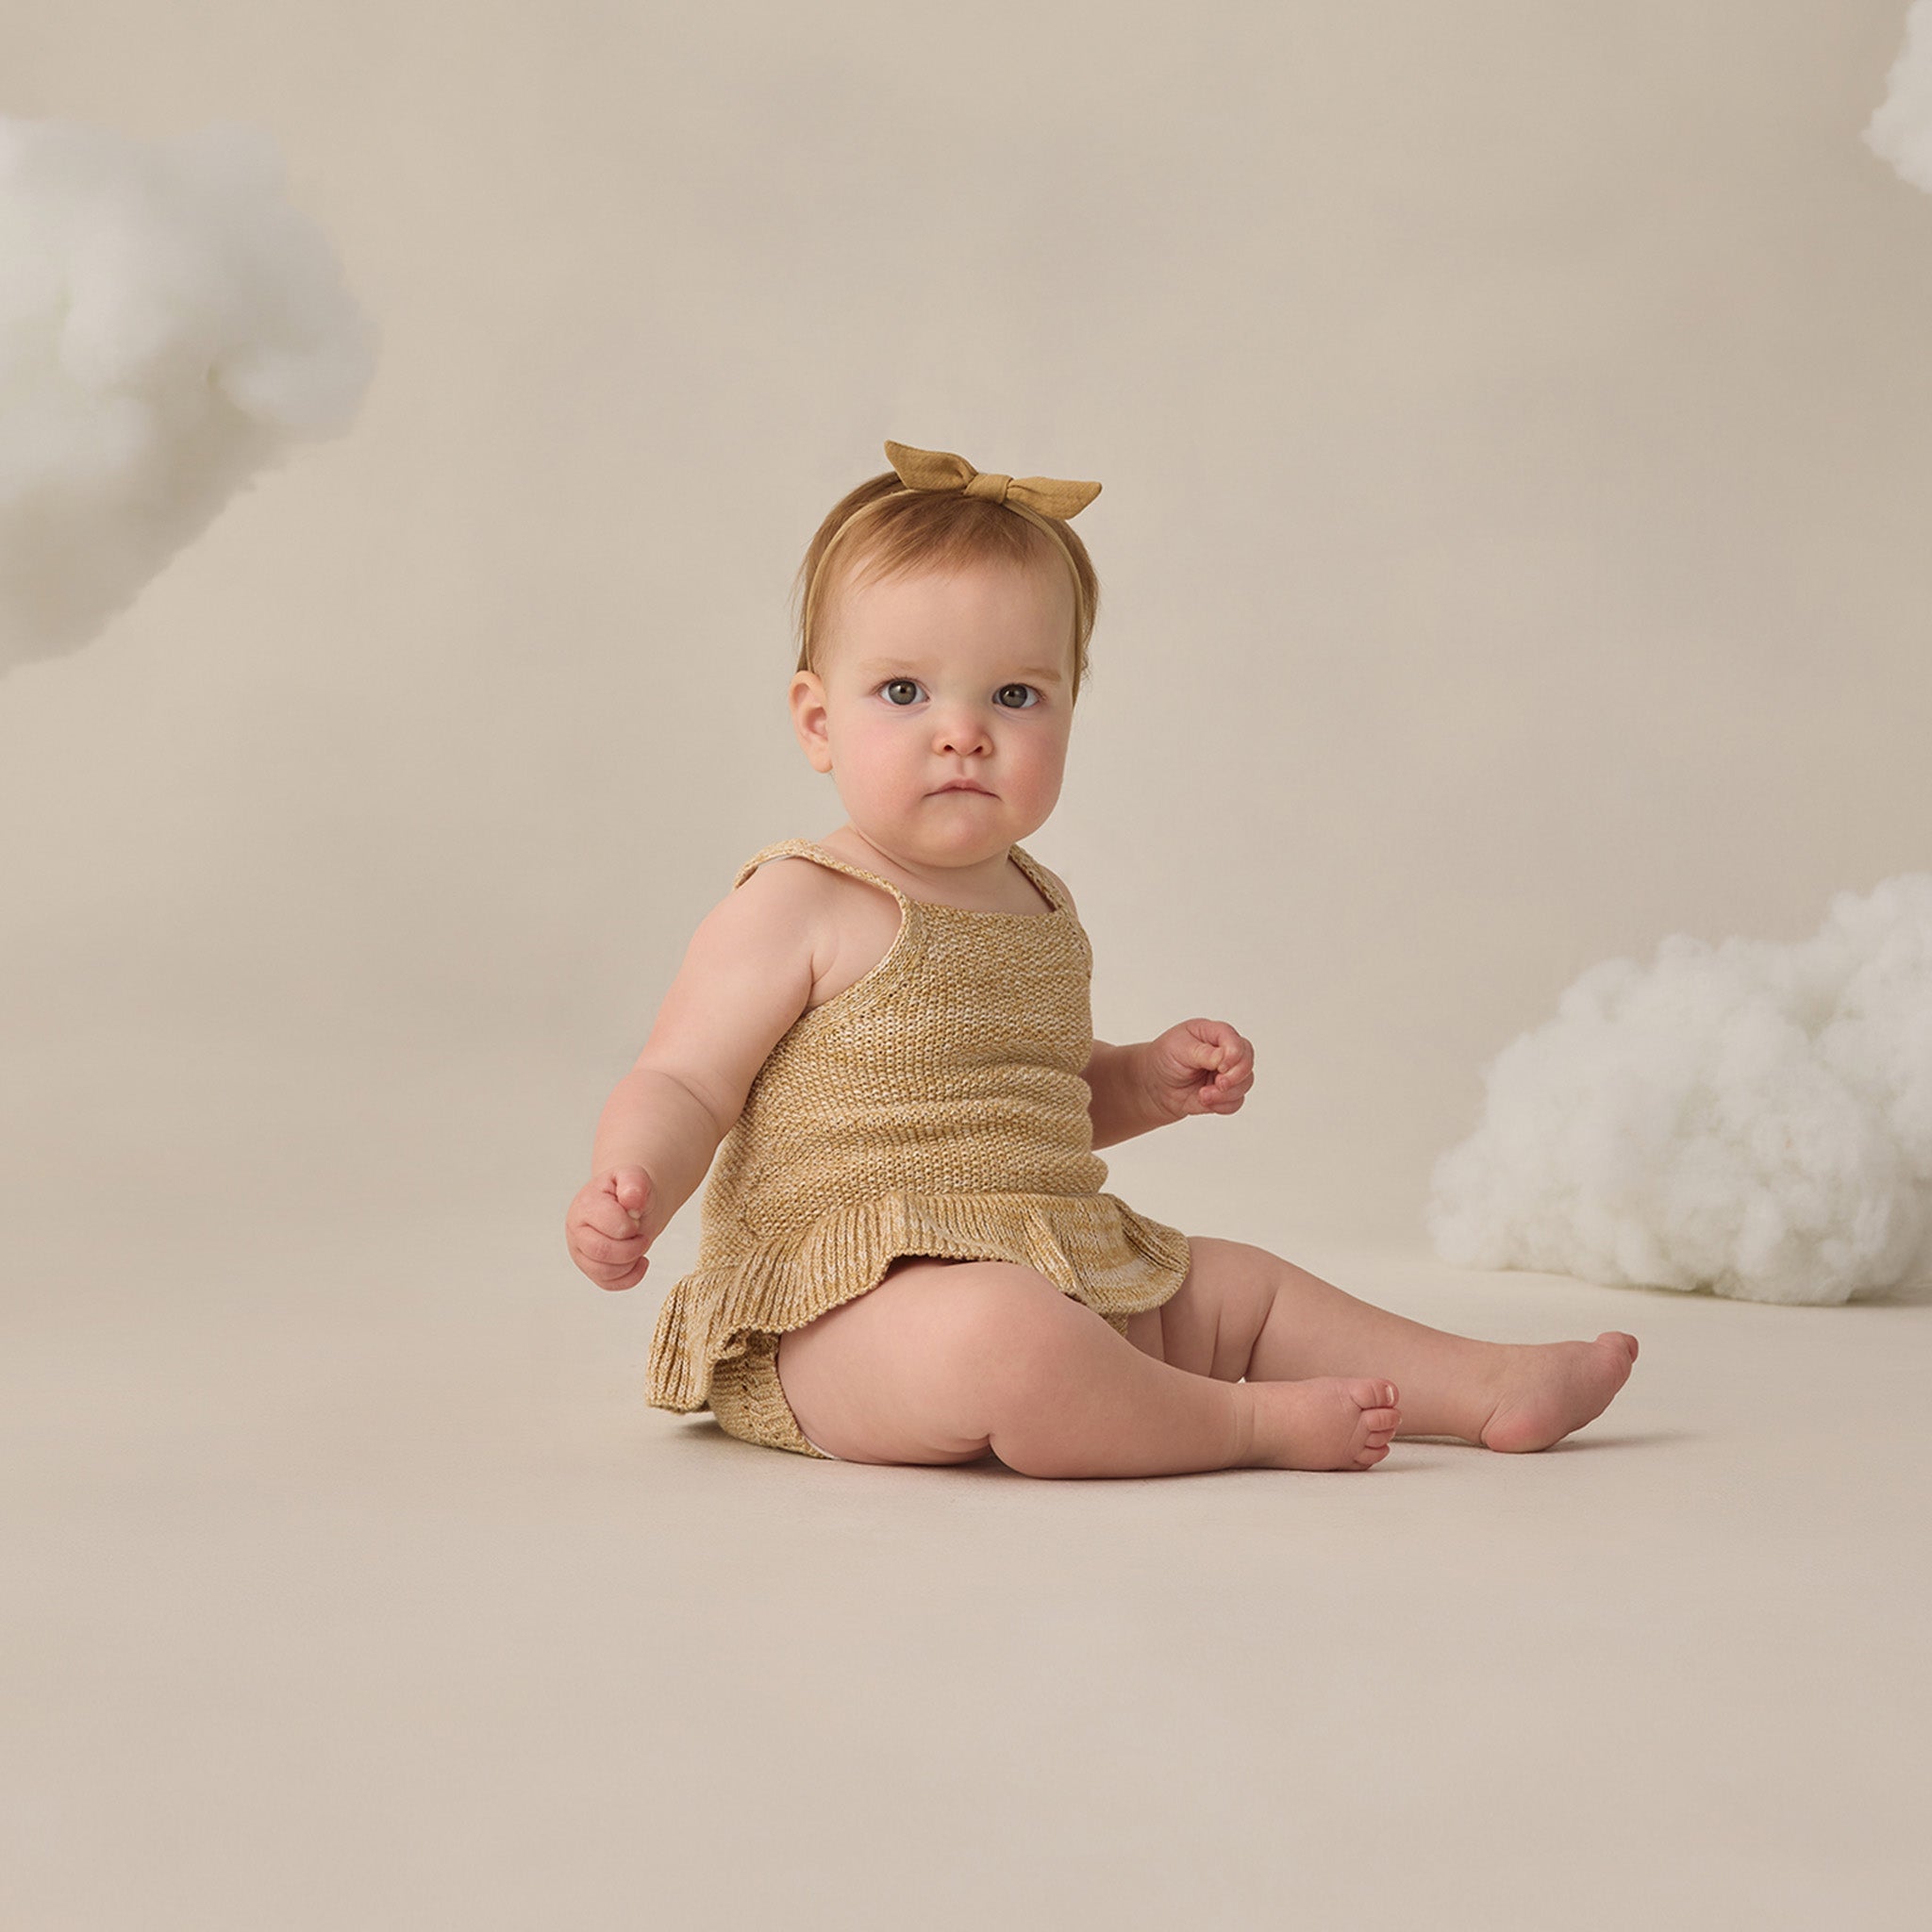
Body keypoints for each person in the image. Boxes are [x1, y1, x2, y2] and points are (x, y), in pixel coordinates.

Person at [563, 439, 1639, 1475]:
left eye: (1013, 696)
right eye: (903, 692)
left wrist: (1143, 1080)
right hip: (838, 1318)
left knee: (1243, 1288)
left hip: (1048, 1251)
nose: (962, 732)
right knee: (1006, 1337)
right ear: (817, 722)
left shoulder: (1039, 906)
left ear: (1069, 712)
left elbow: (1038, 1097)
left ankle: (1482, 1384)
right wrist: (635, 1180)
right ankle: (1242, 1424)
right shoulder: (799, 900)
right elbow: (686, 1079)